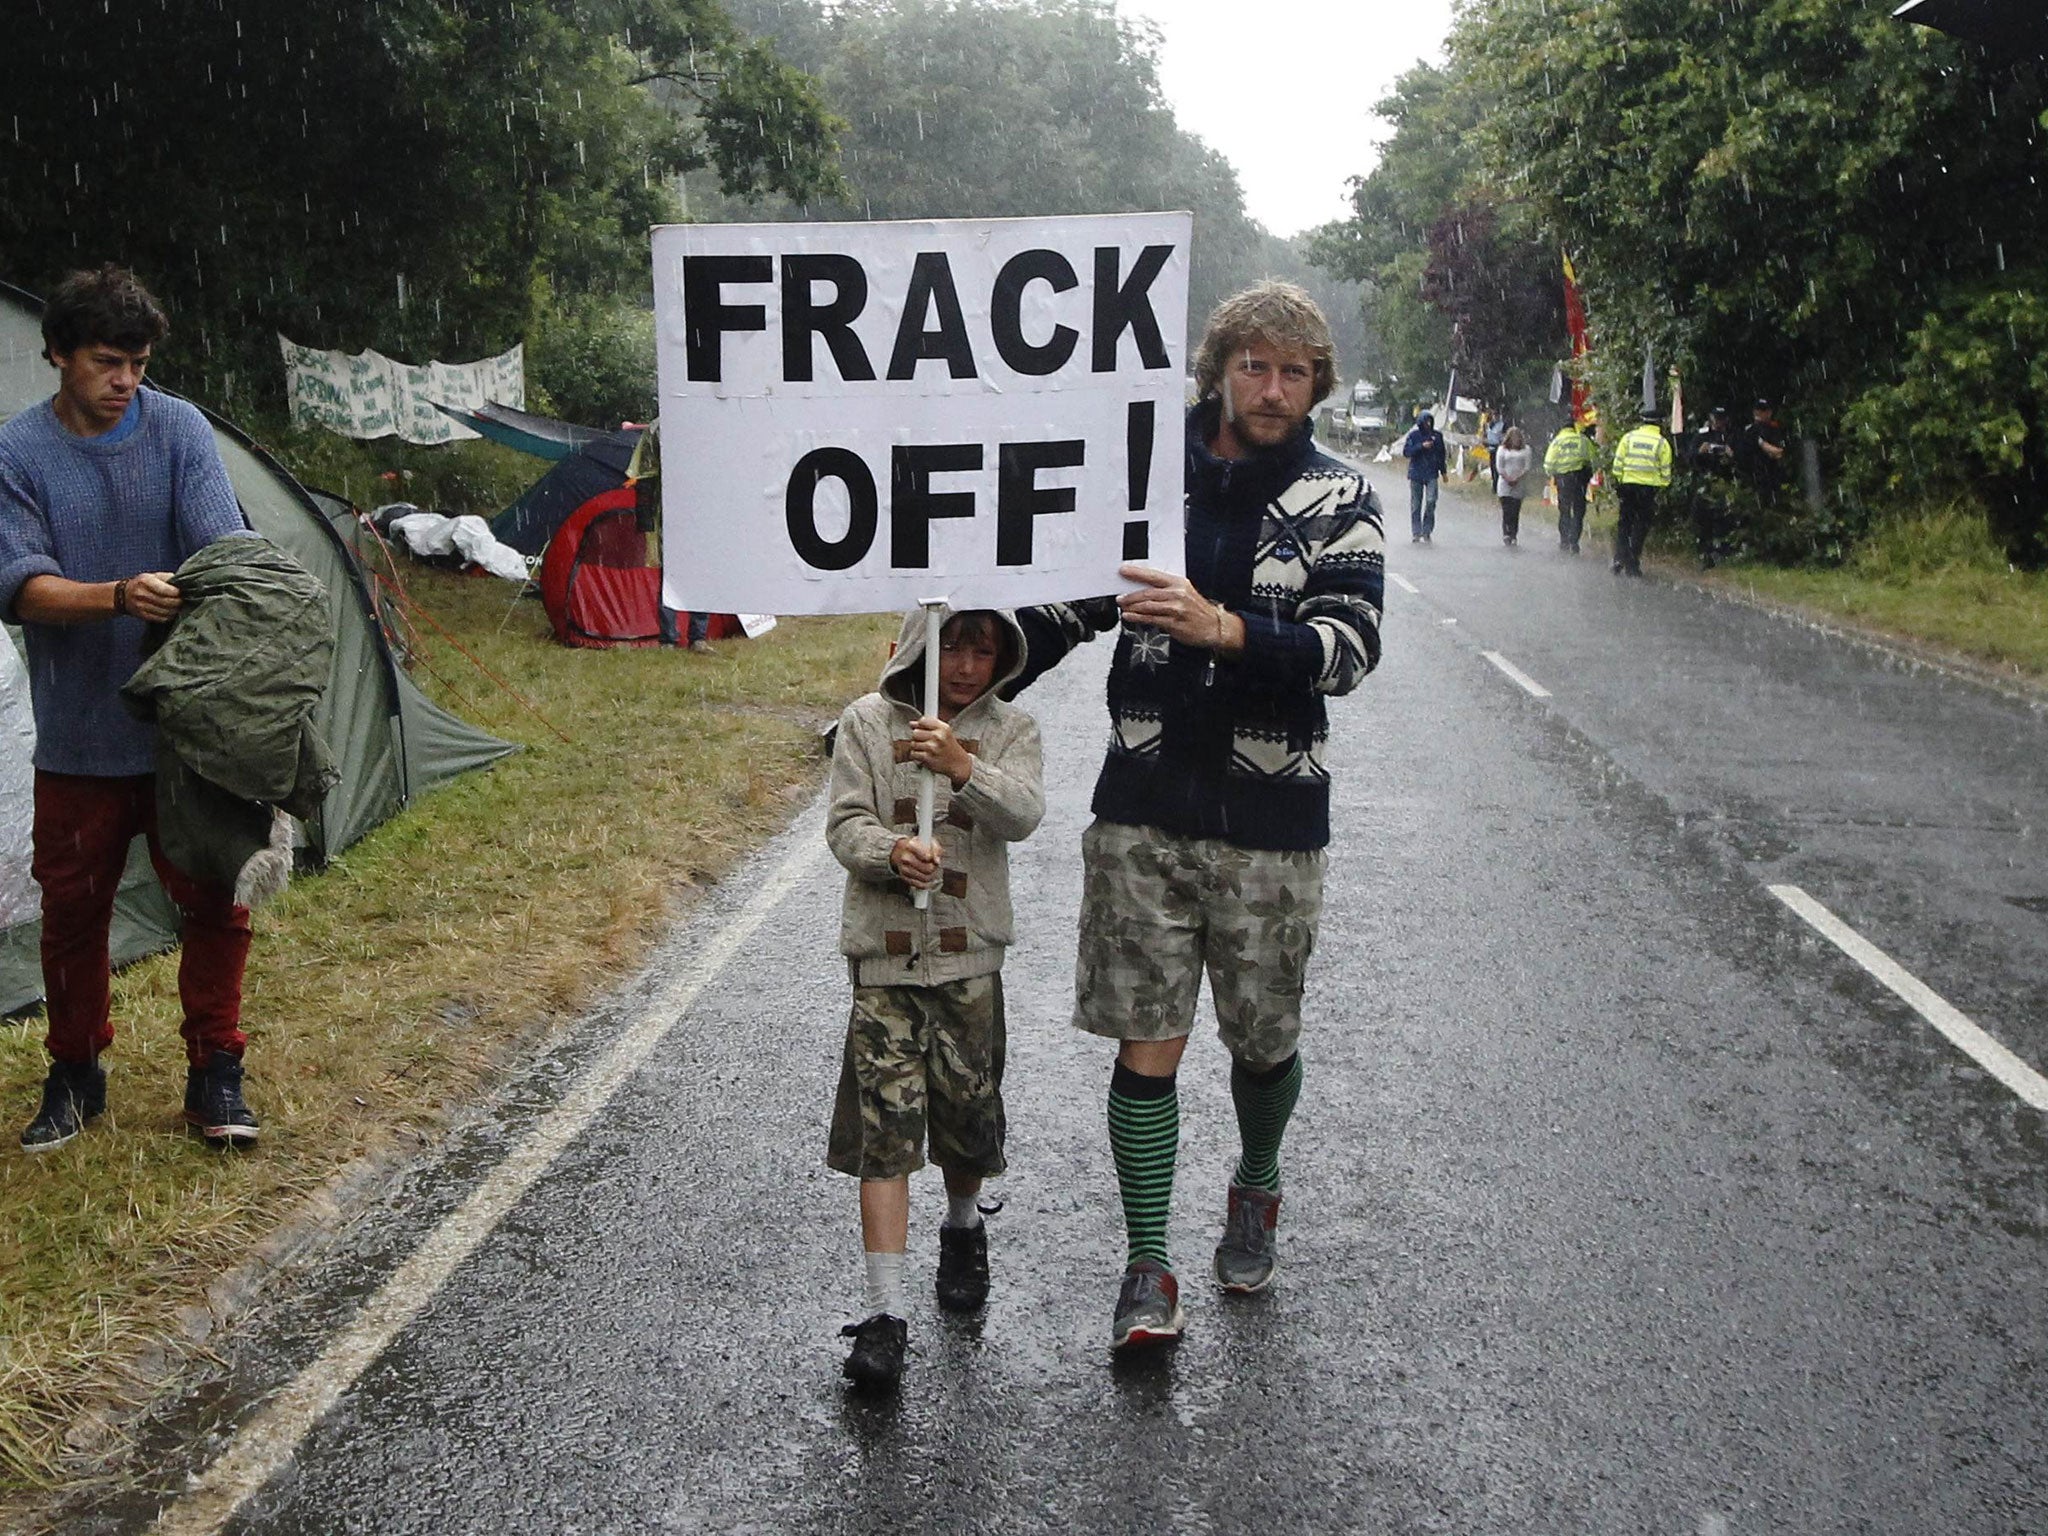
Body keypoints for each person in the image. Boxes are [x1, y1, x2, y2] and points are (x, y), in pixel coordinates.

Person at [1010, 281, 1384, 1352]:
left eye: (1294, 372)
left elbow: (1346, 650)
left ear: (1316, 385)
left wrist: (1226, 629)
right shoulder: (1142, 475)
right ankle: (1145, 1266)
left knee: (1262, 1044)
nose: (1271, 391)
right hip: (1140, 810)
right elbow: (1070, 604)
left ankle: (1255, 1182)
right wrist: (967, 660)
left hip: (1272, 822)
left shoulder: (1336, 496)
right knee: (1146, 1045)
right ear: (1217, 365)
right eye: (1253, 366)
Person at [0, 265, 263, 1152]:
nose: (125, 383)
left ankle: (214, 1073)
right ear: (58, 356)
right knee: (73, 914)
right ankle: (75, 1074)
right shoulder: (18, 452)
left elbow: (225, 551)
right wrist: (116, 595)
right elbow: (20, 588)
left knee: (216, 900)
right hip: (77, 736)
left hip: (185, 735)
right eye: (108, 363)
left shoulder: (179, 428)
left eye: (138, 365)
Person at [823, 606, 1043, 1391]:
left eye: (984, 651)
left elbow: (1023, 814)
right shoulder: (864, 722)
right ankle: (884, 1312)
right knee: (883, 1131)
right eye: (953, 644)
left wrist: (962, 768)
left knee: (967, 1115)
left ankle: (961, 1225)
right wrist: (890, 852)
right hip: (884, 965)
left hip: (969, 962)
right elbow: (844, 825)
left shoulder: (1013, 727)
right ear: (922, 643)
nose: (966, 666)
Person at [1610, 407, 1673, 577]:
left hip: (1627, 486)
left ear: (1642, 420)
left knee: (1624, 524)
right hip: (1647, 489)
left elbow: (1617, 464)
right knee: (1641, 526)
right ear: (1660, 423)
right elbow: (1665, 472)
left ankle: (1618, 558)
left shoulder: (1628, 438)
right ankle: (1632, 563)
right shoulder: (1662, 443)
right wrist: (1660, 484)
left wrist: (1621, 480)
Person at [1686, 405, 1739, 568]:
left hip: (1725, 480)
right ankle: (1705, 553)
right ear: (1711, 418)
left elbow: (1741, 457)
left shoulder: (1731, 435)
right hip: (1705, 480)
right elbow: (1690, 458)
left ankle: (1723, 552)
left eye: (1722, 418)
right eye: (1717, 418)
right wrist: (1700, 452)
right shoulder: (1702, 435)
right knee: (1702, 518)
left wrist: (1731, 454)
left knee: (1725, 518)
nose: (1719, 422)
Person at [1543, 417, 1597, 554]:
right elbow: (1593, 459)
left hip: (1563, 480)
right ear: (1573, 427)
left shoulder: (1557, 442)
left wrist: (1553, 474)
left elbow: (1548, 464)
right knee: (1579, 511)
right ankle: (1574, 542)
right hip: (1579, 479)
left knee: (1564, 510)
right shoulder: (1582, 440)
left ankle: (1564, 540)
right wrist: (1588, 474)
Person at [1402, 411, 1446, 543]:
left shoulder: (1437, 436)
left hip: (1432, 473)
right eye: (1426, 421)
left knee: (1431, 501)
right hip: (1416, 473)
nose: (1428, 424)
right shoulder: (1414, 435)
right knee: (1416, 504)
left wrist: (1443, 472)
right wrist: (1421, 446)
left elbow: (1441, 455)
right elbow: (1406, 452)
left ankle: (1427, 530)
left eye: (1430, 421)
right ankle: (1416, 532)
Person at [1739, 397, 1787, 507]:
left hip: (1773, 475)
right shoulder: (1750, 430)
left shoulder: (1775, 429)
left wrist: (1765, 446)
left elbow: (1778, 452)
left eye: (1763, 410)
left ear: (1769, 412)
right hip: (1756, 477)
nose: (1760, 413)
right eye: (1758, 410)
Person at [1494, 426, 1533, 546]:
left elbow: (1527, 467)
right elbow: (1499, 467)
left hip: (1519, 484)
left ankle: (1513, 534)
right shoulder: (1502, 450)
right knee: (1507, 510)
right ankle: (1506, 533)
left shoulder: (1526, 450)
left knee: (1515, 510)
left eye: (1517, 437)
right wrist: (1507, 478)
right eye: (1513, 438)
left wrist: (1517, 478)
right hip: (1504, 484)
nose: (1516, 440)